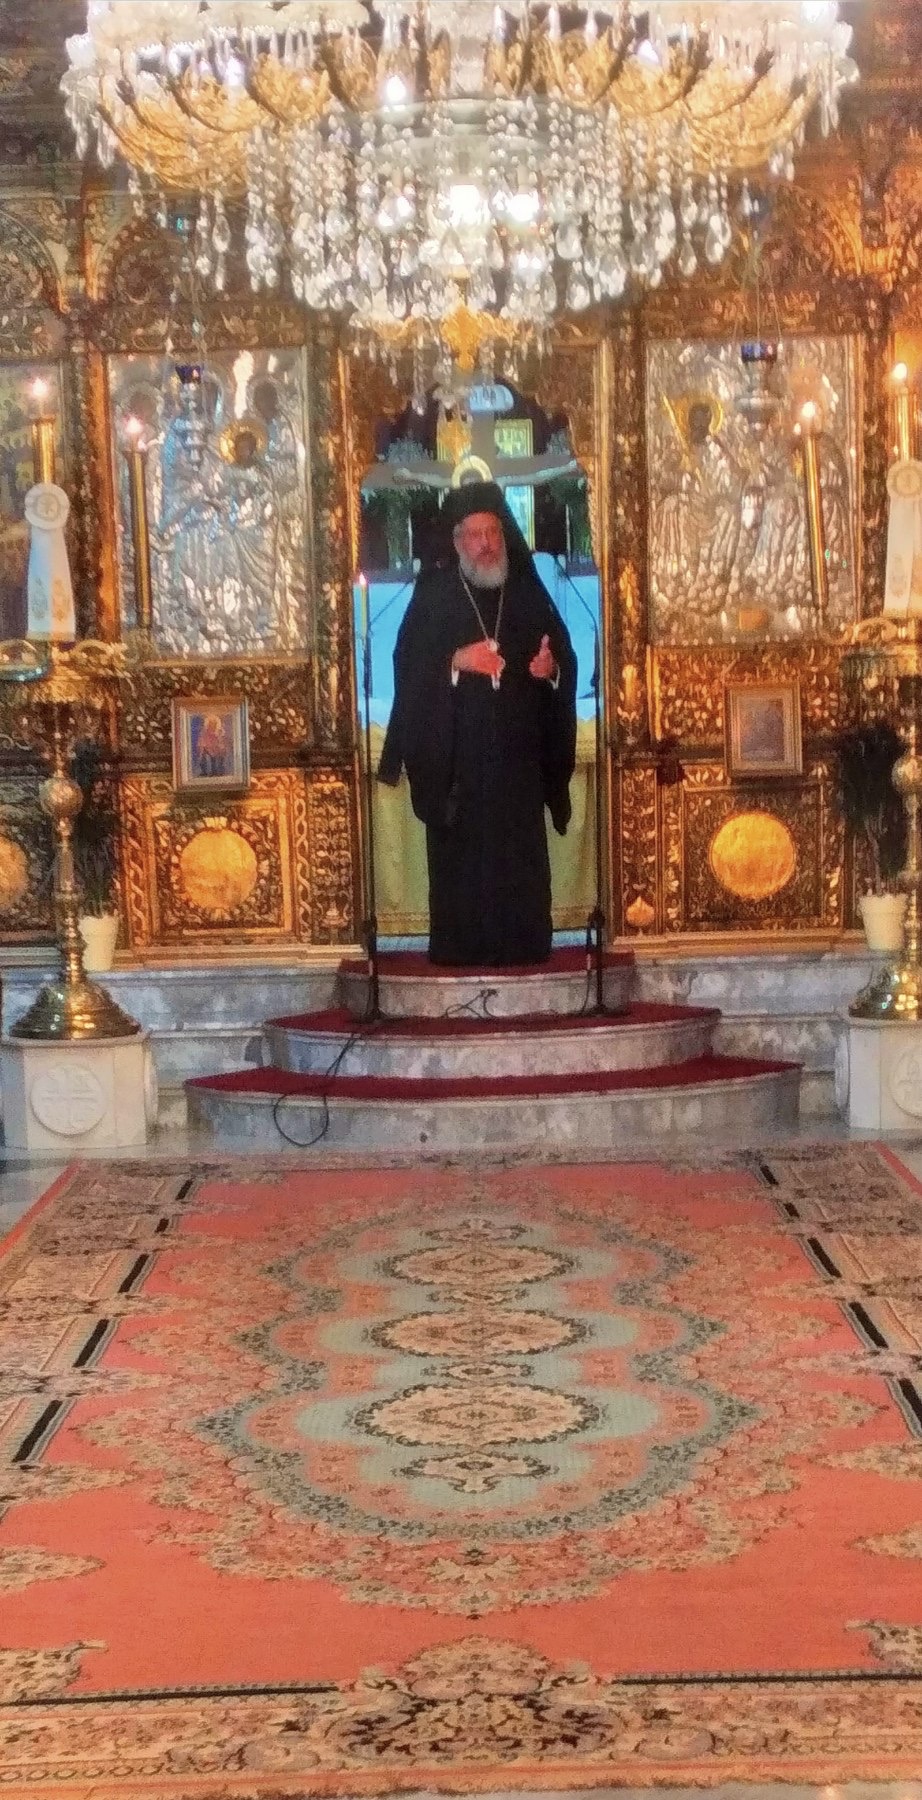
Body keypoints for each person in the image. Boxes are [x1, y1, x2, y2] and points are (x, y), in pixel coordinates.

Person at [377, 480, 577, 966]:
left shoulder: (527, 592)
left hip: (518, 769)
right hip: (457, 772)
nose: (485, 544)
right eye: (474, 534)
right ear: (457, 541)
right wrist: (454, 661)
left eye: (492, 532)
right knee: (462, 872)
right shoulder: (434, 596)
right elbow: (406, 667)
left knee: (520, 867)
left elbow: (563, 658)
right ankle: (461, 950)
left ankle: (526, 946)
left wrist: (551, 670)